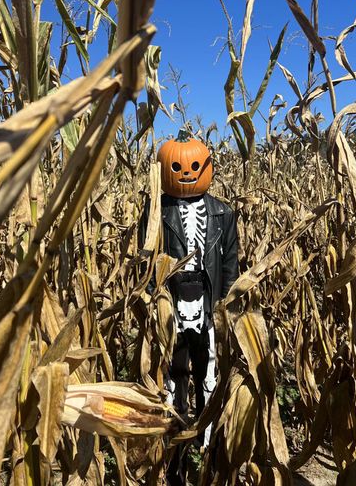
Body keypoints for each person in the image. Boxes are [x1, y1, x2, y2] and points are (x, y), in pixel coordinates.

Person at [146, 130, 239, 485]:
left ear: (206, 166)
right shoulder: (158, 210)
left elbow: (229, 262)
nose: (186, 172)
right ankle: (174, 441)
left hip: (208, 297)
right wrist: (155, 300)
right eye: (178, 166)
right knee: (173, 371)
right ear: (165, 169)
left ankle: (209, 438)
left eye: (195, 166)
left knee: (209, 371)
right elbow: (148, 258)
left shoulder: (222, 213)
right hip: (172, 298)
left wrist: (226, 303)